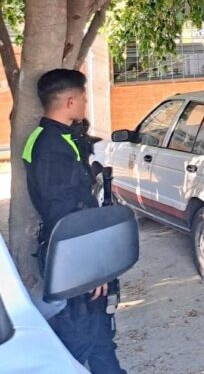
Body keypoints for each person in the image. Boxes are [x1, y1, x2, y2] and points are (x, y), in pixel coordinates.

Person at [22, 69, 126, 373]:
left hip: (73, 257)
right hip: (76, 262)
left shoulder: (51, 137)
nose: (85, 103)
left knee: (100, 339)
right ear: (69, 101)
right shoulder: (52, 150)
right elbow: (66, 213)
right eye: (82, 97)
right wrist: (93, 271)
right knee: (79, 341)